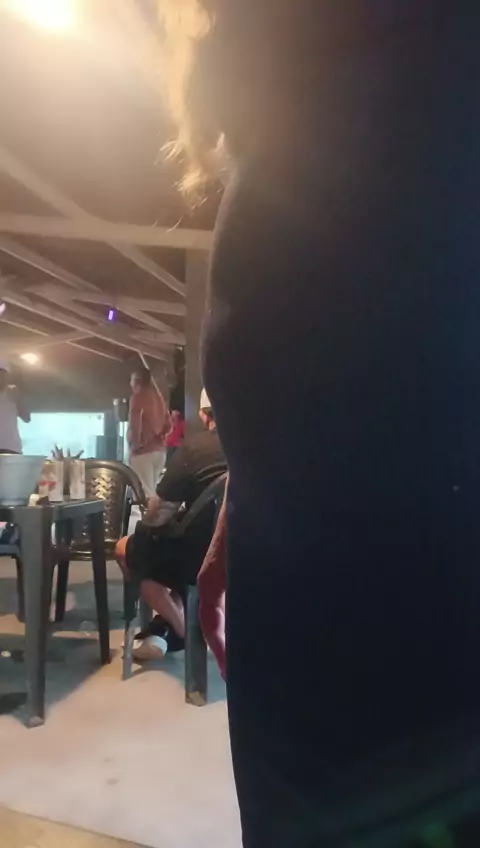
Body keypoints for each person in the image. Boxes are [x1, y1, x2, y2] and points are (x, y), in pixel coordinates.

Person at [162, 3, 480, 847]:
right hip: (289, 593)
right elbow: (304, 322)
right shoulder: (259, 55)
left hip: (441, 579)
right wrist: (240, 509)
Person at [116, 389, 226, 660]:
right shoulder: (258, 448)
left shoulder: (194, 449)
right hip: (252, 557)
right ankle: (164, 628)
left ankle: (186, 633)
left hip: (198, 560)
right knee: (179, 567)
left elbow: (158, 514)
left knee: (126, 549)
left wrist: (147, 526)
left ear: (203, 415)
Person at [127, 366, 170, 498]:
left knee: (143, 495)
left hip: (143, 453)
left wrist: (135, 445)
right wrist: (160, 437)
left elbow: (135, 423)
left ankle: (147, 513)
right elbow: (169, 424)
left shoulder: (137, 397)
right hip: (160, 452)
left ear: (137, 380)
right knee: (152, 494)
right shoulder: (159, 398)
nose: (130, 383)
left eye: (131, 379)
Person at [0, 359, 30, 454]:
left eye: (2, 374)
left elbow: (27, 418)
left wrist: (19, 399)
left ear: (6, 376)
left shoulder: (13, 391)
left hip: (11, 448)